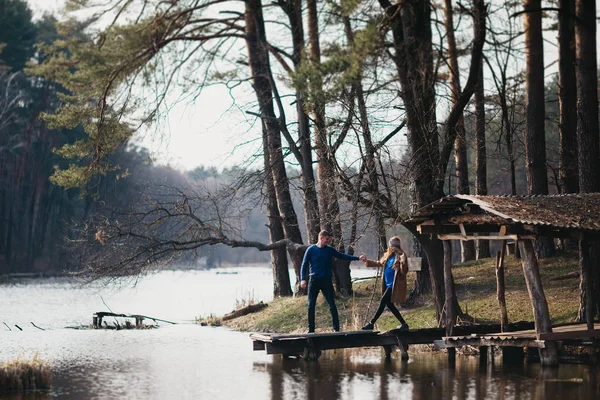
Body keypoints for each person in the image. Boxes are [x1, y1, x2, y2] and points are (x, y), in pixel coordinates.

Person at [300, 230, 367, 333]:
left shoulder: (330, 250)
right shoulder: (311, 250)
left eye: (329, 239)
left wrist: (357, 258)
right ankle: (311, 329)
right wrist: (303, 279)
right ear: (321, 238)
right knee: (311, 305)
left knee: (332, 304)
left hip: (326, 280)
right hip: (314, 280)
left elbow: (342, 256)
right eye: (327, 239)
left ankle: (336, 328)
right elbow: (304, 265)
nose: (328, 241)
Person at [360, 236, 410, 331]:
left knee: (383, 301)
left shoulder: (401, 256)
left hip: (394, 285)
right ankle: (404, 324)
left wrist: (402, 262)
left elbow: (404, 271)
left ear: (395, 246)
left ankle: (371, 323)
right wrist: (367, 261)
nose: (390, 247)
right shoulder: (389, 256)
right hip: (387, 284)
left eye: (391, 245)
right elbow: (379, 263)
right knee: (390, 305)